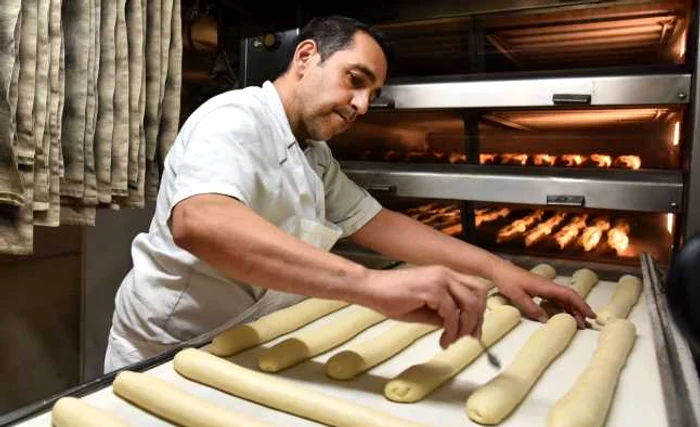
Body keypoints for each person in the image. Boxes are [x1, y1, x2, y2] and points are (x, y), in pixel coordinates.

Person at [104, 15, 595, 372]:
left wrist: (497, 269)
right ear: (306, 56)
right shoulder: (233, 118)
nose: (361, 104)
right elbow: (201, 223)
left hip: (244, 340)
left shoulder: (313, 153)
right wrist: (369, 286)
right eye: (355, 81)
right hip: (168, 350)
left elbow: (377, 222)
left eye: (372, 95)